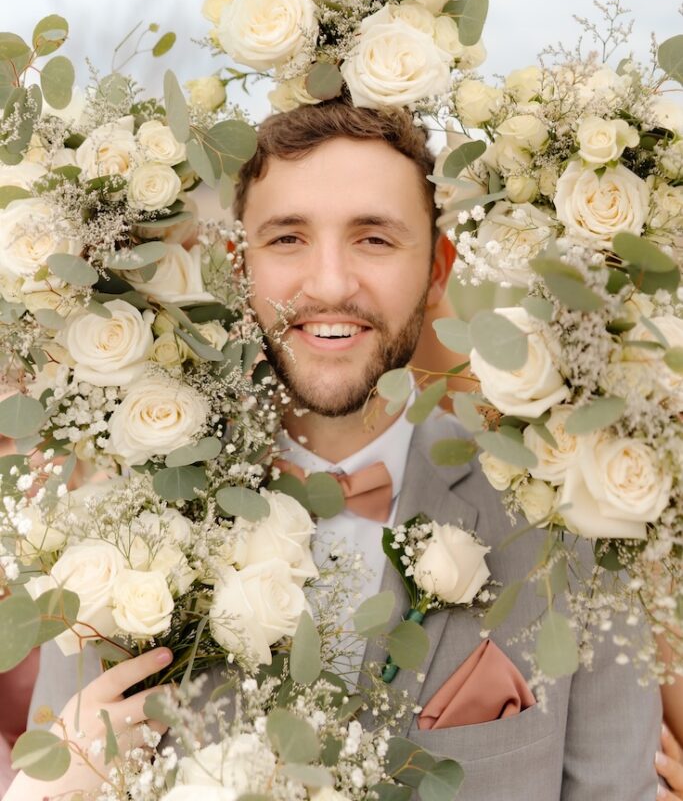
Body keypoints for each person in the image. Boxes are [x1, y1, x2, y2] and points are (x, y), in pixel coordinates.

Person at [6, 102, 664, 800]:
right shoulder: (116, 546)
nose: (327, 284)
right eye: (287, 239)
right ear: (240, 264)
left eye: (373, 239)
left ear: (438, 268)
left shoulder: (566, 532)